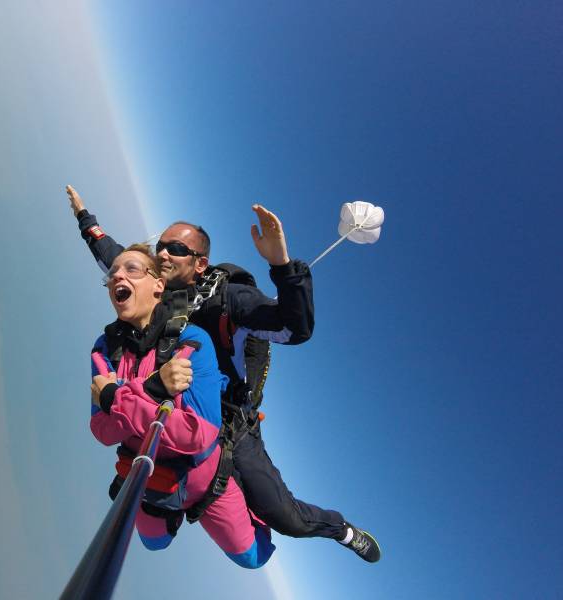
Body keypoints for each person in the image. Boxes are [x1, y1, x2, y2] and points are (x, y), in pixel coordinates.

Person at [69, 185, 381, 563]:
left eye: (178, 249)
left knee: (284, 517)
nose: (164, 254)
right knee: (154, 521)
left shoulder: (228, 301)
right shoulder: (152, 285)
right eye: (161, 247)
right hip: (177, 403)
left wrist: (281, 265)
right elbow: (112, 257)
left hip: (232, 420)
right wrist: (85, 217)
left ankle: (340, 529)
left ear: (200, 263)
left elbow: (292, 328)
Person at [90, 243, 275, 569]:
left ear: (158, 285)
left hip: (206, 481)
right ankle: (173, 517)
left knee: (253, 558)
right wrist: (151, 389)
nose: (117, 274)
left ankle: (252, 505)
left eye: (131, 269)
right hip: (151, 477)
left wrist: (115, 398)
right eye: (113, 273)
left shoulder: (192, 340)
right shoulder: (105, 348)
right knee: (153, 542)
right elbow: (102, 431)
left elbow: (198, 434)